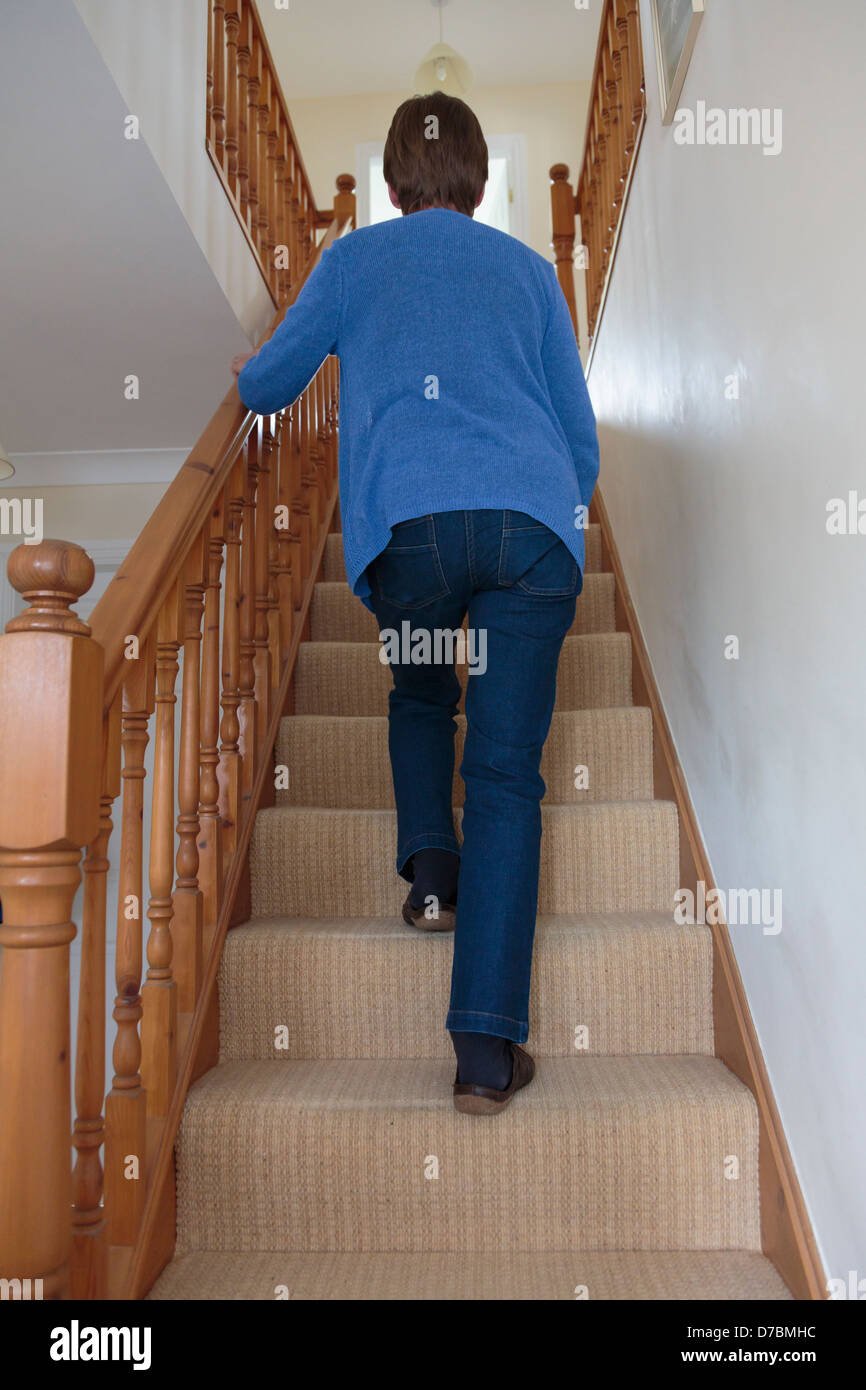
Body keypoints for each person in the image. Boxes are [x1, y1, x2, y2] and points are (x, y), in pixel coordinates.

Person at [233, 91, 599, 1115]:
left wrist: (247, 370)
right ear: (476, 175)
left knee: (423, 694)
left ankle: (432, 874)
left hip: (415, 530)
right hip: (530, 528)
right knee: (506, 776)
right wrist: (553, 513)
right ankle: (484, 1049)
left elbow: (267, 386)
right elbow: (578, 435)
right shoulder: (528, 271)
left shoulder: (354, 260)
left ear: (393, 177)